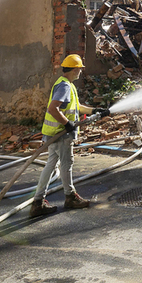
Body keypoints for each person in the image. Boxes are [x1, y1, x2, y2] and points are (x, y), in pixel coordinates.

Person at [29, 54, 111, 218]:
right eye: (80, 69)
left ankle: (37, 202)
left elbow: (77, 106)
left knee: (51, 165)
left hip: (54, 133)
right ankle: (70, 197)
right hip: (61, 134)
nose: (80, 71)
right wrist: (67, 124)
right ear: (75, 69)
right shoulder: (65, 86)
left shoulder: (65, 84)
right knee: (66, 164)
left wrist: (95, 111)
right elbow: (54, 108)